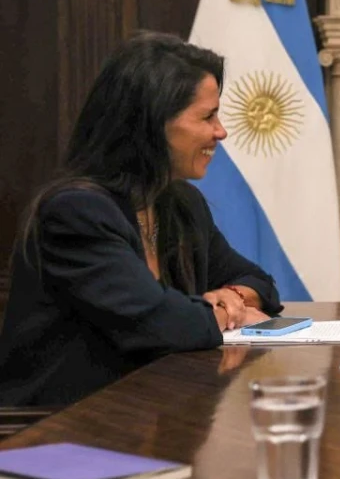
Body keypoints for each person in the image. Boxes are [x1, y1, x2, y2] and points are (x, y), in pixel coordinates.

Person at [0, 33, 281, 405]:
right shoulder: (74, 212)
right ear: (153, 124)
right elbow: (157, 321)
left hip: (145, 413)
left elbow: (260, 282)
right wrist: (222, 313)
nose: (221, 131)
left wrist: (230, 297)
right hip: (56, 432)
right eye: (207, 116)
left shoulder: (180, 204)